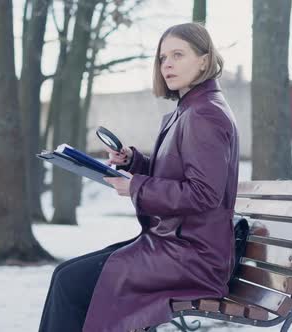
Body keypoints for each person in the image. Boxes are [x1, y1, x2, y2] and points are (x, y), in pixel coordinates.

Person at [38, 22, 240, 332]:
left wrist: (137, 186)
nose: (167, 64)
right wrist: (136, 163)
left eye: (178, 55)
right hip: (174, 246)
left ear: (204, 59)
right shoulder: (187, 110)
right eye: (162, 58)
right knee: (68, 277)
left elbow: (203, 194)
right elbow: (178, 174)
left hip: (192, 258)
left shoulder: (205, 114)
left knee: (69, 282)